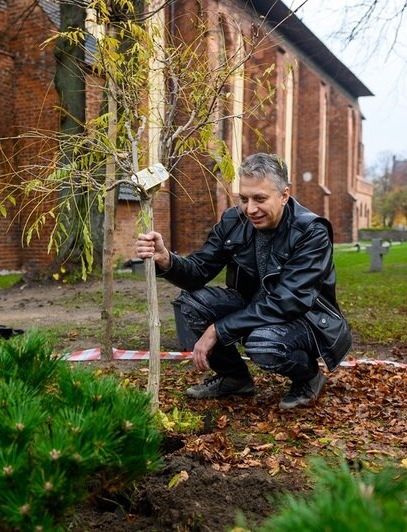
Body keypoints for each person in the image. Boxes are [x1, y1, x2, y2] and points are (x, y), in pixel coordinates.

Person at [135, 153, 351, 409]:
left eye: (260, 199)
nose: (250, 209)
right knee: (191, 305)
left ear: (284, 195)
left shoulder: (311, 231)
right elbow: (198, 271)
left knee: (263, 344)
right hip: (253, 307)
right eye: (244, 199)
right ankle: (234, 378)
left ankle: (309, 377)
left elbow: (287, 301)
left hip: (306, 319)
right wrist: (166, 259)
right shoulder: (233, 221)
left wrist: (219, 329)